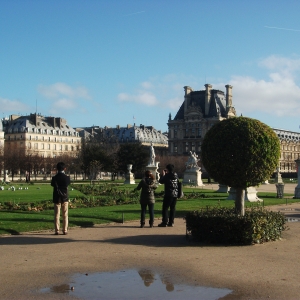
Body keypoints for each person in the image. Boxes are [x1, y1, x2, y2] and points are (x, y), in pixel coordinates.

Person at [51, 162, 71, 235]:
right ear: (64, 169)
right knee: (65, 215)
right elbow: (67, 184)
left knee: (57, 215)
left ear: (57, 169)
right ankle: (65, 230)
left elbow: (52, 185)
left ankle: (57, 230)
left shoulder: (54, 178)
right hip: (65, 197)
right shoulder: (67, 178)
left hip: (57, 197)